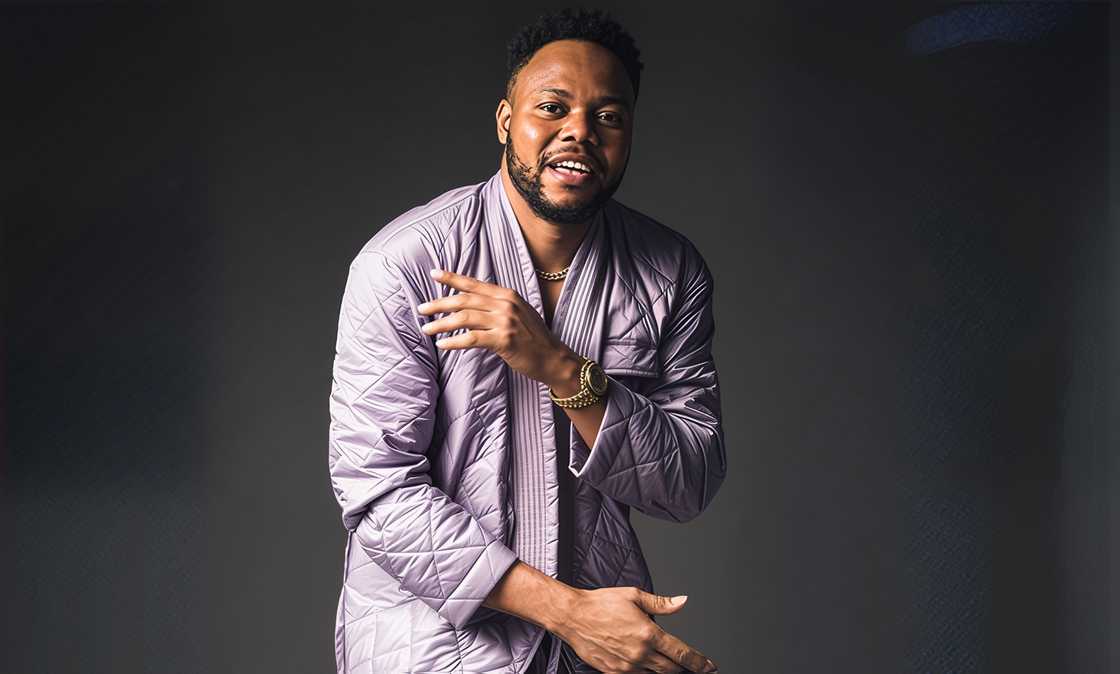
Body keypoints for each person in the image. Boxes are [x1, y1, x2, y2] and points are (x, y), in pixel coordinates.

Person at [328, 8, 726, 673]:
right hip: (432, 653)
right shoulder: (406, 262)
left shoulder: (670, 270)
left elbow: (687, 482)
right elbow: (377, 494)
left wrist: (564, 370)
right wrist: (569, 612)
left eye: (609, 116)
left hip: (593, 654)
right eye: (553, 106)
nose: (579, 131)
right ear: (507, 121)